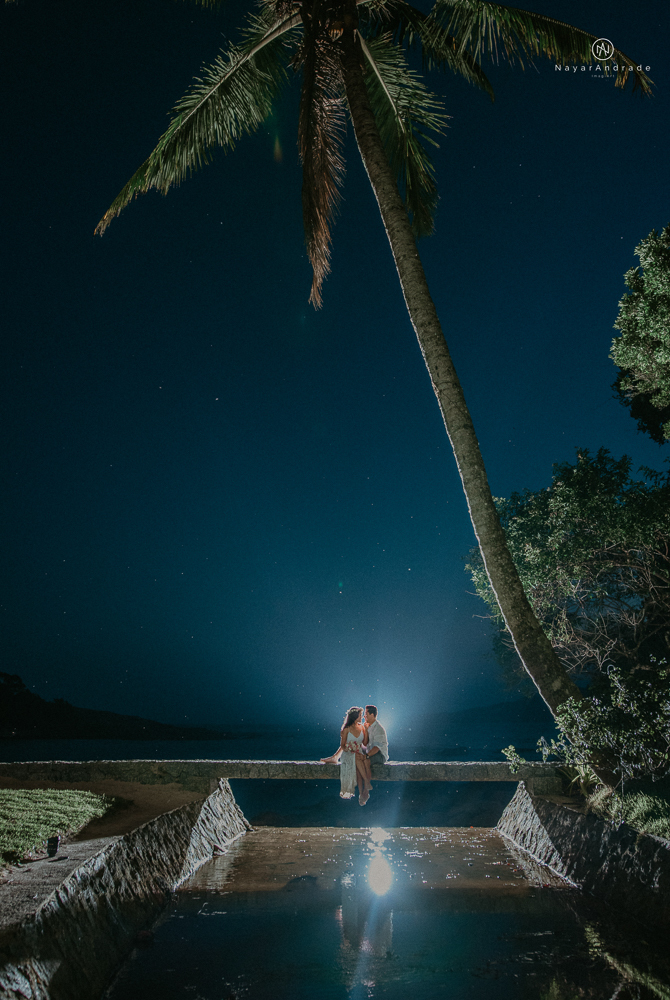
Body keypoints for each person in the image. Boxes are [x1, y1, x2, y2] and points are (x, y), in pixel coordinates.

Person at [321, 706, 372, 805]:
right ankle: (366, 784)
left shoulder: (362, 727)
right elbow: (343, 745)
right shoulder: (346, 729)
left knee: (359, 763)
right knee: (356, 758)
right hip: (348, 753)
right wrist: (350, 748)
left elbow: (365, 743)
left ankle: (362, 794)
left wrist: (366, 730)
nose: (361, 717)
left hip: (359, 752)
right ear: (354, 716)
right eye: (360, 715)